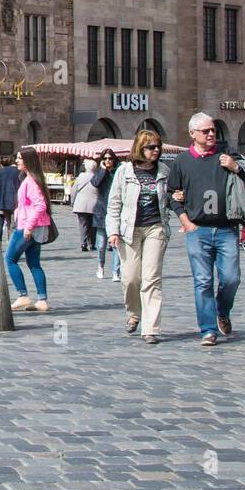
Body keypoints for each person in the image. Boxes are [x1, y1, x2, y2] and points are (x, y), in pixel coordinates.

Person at [166, 112, 245, 347]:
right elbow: (171, 194)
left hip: (227, 228)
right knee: (203, 281)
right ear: (192, 134)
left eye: (213, 130)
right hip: (198, 230)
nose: (211, 134)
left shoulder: (226, 153)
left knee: (231, 278)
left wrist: (236, 166)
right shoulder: (182, 161)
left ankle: (222, 310)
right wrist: (185, 221)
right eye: (206, 131)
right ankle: (208, 330)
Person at [104, 129, 173, 344]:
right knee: (131, 278)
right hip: (129, 229)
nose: (156, 150)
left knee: (152, 278)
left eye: (158, 146)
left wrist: (177, 197)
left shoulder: (163, 170)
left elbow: (170, 198)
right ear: (139, 149)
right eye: (151, 147)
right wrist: (112, 231)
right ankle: (134, 313)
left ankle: (150, 328)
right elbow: (114, 203)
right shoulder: (125, 171)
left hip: (156, 228)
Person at [6, 147, 52, 312]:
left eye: (19, 158)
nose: (17, 161)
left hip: (28, 227)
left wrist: (28, 226)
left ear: (28, 161)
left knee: (10, 259)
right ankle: (42, 299)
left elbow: (40, 205)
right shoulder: (32, 179)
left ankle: (22, 295)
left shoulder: (31, 182)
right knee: (34, 263)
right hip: (36, 226)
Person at [91, 149, 122, 281]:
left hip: (116, 211)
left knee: (116, 244)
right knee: (102, 244)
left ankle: (116, 271)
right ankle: (100, 265)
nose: (108, 160)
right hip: (101, 211)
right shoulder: (99, 172)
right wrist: (103, 170)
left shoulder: (118, 172)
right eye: (105, 158)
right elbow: (95, 183)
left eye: (110, 158)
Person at [68, 158, 100, 252]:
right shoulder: (97, 177)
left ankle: (83, 243)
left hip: (80, 204)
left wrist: (72, 202)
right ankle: (92, 244)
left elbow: (74, 190)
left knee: (83, 224)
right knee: (93, 226)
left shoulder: (80, 177)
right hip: (94, 205)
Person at [0, 155, 20, 239]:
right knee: (12, 224)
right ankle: (11, 242)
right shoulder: (18, 171)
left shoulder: (1, 171)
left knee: (4, 222)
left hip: (3, 201)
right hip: (15, 201)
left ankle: (1, 241)